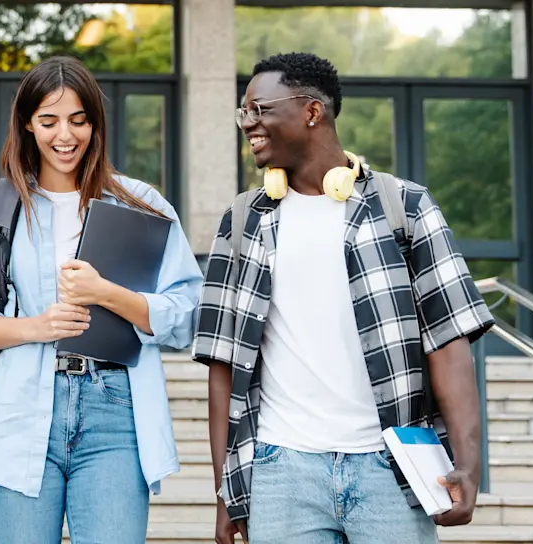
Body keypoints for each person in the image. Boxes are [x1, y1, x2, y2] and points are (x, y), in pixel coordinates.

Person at [195, 52, 495, 544]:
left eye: (260, 109)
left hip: (390, 469)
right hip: (280, 470)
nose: (248, 123)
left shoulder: (406, 207)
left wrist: (467, 462)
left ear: (312, 112)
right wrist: (227, 492)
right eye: (243, 113)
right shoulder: (242, 221)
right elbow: (222, 365)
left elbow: (449, 341)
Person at [0, 56, 203, 543]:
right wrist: (36, 327)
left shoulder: (138, 203)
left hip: (115, 409)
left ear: (95, 124)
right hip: (18, 407)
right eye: (49, 121)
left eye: (79, 120)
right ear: (27, 124)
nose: (66, 135)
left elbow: (188, 314)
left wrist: (108, 294)